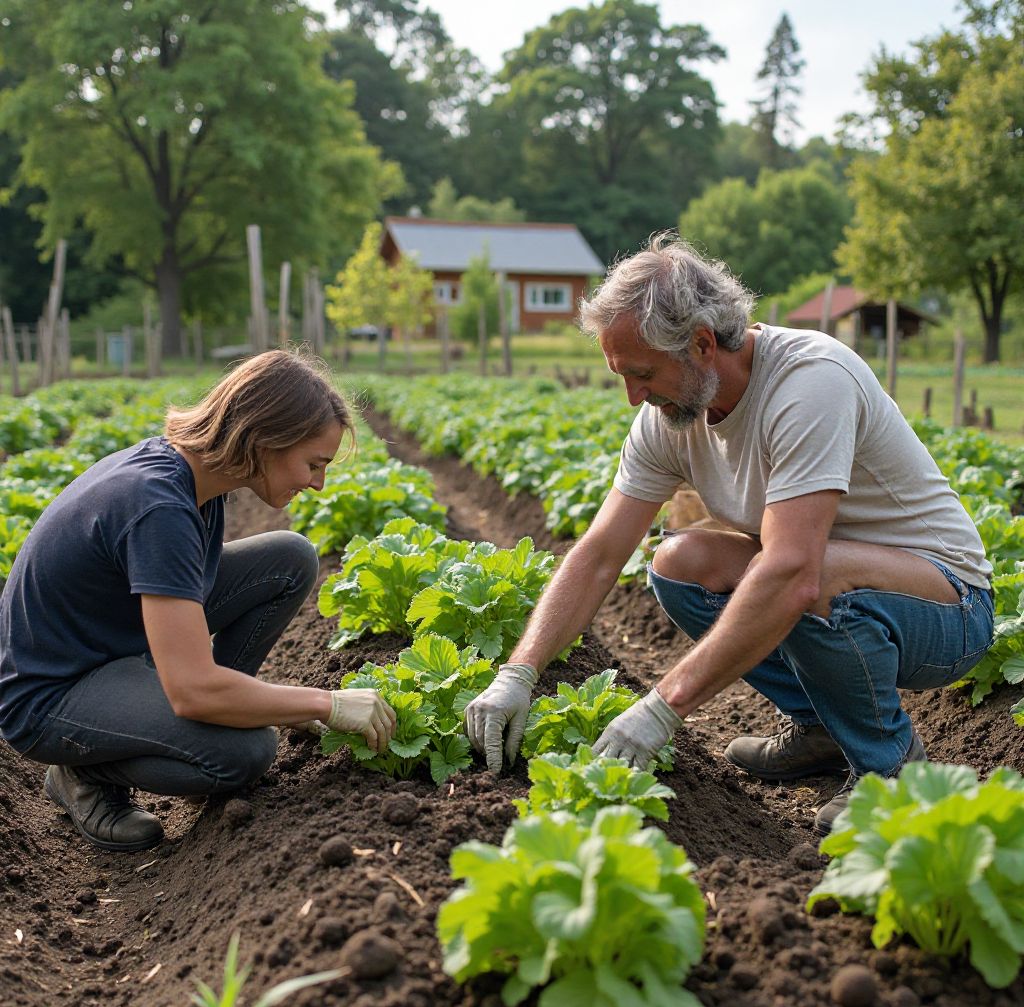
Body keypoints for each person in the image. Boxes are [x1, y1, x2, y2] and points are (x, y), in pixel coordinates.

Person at [464, 234, 994, 834]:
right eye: (621, 375)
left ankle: (893, 771)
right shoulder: (666, 418)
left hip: (948, 605)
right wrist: (520, 671)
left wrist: (664, 707)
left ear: (701, 344)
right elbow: (599, 553)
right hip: (835, 578)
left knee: (806, 575)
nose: (632, 395)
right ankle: (821, 728)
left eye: (642, 373)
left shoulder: (809, 381)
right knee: (680, 562)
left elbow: (793, 570)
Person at [0, 350, 396, 853]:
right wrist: (327, 704)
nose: (317, 483)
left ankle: (220, 709)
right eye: (313, 464)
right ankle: (85, 773)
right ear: (266, 439)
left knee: (289, 558)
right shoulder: (160, 507)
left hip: (113, 644)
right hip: (51, 694)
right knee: (246, 753)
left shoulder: (194, 478)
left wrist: (268, 703)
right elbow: (189, 689)